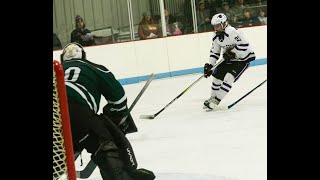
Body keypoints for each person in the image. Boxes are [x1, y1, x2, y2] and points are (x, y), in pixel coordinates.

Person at [60, 42, 155, 180]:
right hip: (76, 111)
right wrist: (115, 119)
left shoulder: (56, 69)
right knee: (105, 142)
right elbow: (118, 98)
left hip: (58, 116)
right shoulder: (93, 67)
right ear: (84, 57)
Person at [203, 13, 256, 110]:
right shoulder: (215, 36)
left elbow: (244, 46)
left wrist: (233, 52)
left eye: (218, 26)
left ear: (224, 24)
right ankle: (212, 98)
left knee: (229, 77)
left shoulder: (232, 32)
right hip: (229, 58)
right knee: (216, 77)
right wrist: (210, 65)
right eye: (214, 26)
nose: (216, 28)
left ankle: (217, 100)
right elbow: (215, 51)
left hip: (242, 59)